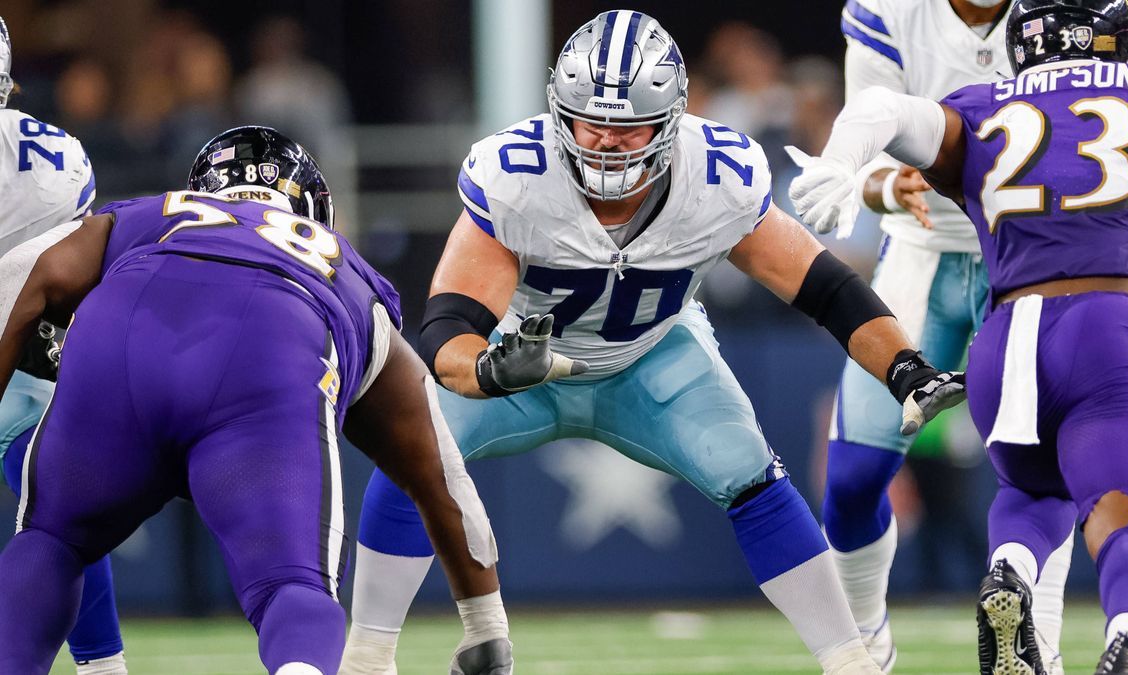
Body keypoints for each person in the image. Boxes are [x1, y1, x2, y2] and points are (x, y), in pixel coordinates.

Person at [340, 11, 964, 675]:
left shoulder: (716, 174)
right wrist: (493, 368)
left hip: (652, 360)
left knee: (751, 472)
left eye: (628, 124)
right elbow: (446, 331)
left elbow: (826, 289)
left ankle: (851, 662)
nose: (607, 142)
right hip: (522, 364)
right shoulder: (517, 174)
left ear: (669, 122)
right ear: (560, 114)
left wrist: (904, 365)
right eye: (591, 121)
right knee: (414, 452)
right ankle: (367, 657)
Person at [0, 126, 513, 675]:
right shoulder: (348, 270)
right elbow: (441, 475)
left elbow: (22, 273)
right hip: (270, 350)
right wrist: (485, 624)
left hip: (125, 330)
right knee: (292, 588)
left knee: (51, 540)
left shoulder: (155, 213)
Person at [789, 0, 1128, 671]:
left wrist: (838, 161)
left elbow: (880, 112)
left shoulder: (979, 105)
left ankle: (1027, 607)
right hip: (1080, 309)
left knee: (1030, 490)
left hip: (1010, 314)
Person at [0, 16, 130, 675]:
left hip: (11, 351)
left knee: (62, 489)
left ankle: (103, 667)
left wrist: (57, 329)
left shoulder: (45, 171)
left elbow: (60, 288)